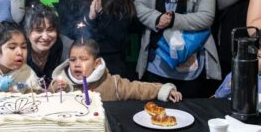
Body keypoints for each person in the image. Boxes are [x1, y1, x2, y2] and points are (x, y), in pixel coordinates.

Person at [66, 0, 136, 77]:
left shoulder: (124, 4)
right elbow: (72, 33)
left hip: (112, 67)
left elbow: (119, 40)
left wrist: (101, 14)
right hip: (82, 66)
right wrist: (90, 18)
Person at [51, 39, 182, 102]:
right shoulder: (62, 84)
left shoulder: (111, 84)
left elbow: (138, 89)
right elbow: (43, 96)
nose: (77, 64)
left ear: (97, 63)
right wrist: (53, 89)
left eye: (83, 59)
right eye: (73, 60)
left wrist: (163, 90)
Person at [215, 28, 261, 98]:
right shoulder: (236, 74)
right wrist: (231, 84)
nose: (252, 58)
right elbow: (218, 97)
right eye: (250, 54)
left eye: (259, 56)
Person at [23, 2, 73, 85]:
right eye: (38, 30)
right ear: (27, 33)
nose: (45, 37)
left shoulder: (67, 48)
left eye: (50, 30)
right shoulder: (19, 51)